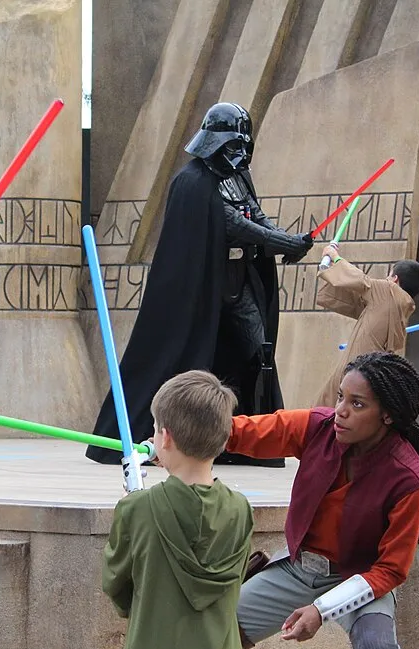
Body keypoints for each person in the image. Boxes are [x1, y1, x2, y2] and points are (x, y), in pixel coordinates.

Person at [85, 102, 313, 468]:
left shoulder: (238, 177)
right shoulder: (193, 182)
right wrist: (284, 243)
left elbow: (255, 215)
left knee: (257, 354)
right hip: (198, 291)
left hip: (238, 284)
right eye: (229, 145)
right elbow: (233, 224)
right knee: (182, 360)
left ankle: (244, 439)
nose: (235, 153)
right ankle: (164, 436)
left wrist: (287, 238)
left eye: (239, 146)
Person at [229, 351, 419, 649]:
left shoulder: (409, 478)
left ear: (388, 415)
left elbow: (391, 570)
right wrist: (181, 438)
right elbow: (246, 432)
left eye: (357, 403)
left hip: (363, 579)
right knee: (216, 630)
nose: (340, 411)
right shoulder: (319, 427)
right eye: (340, 397)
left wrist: (321, 609)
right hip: (298, 568)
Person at [101, 370, 255, 649]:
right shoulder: (239, 509)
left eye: (156, 428)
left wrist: (135, 500)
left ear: (165, 437)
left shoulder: (137, 509)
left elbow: (116, 584)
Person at [313, 244, 419, 408]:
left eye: (388, 276)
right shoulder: (401, 306)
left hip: (354, 371)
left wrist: (334, 257)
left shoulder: (389, 290)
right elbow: (359, 303)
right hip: (373, 376)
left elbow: (361, 282)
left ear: (395, 279)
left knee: (326, 415)